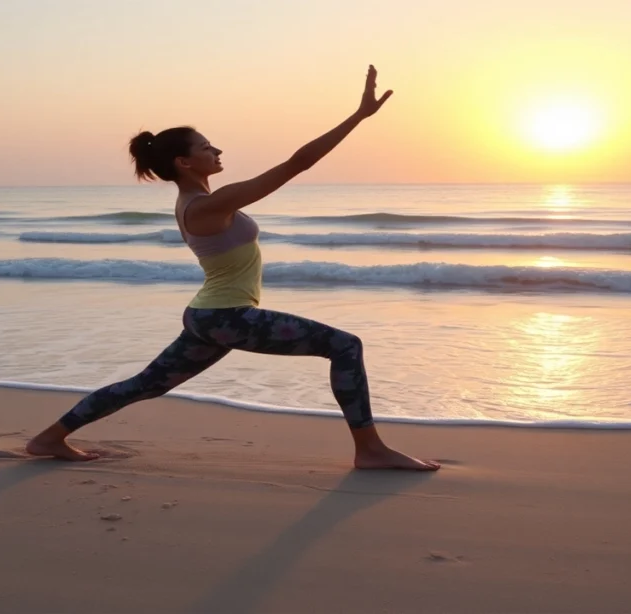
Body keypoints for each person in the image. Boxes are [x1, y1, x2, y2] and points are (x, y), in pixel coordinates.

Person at [27, 65, 440, 471]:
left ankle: (49, 438)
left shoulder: (197, 203)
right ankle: (369, 450)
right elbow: (298, 163)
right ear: (184, 163)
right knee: (344, 346)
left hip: (210, 316)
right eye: (207, 147)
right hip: (226, 316)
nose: (217, 151)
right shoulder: (208, 205)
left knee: (145, 385)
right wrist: (358, 117)